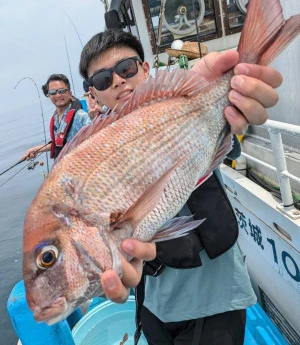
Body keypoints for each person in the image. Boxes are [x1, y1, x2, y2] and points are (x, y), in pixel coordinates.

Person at [79, 29, 282, 344]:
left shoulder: (182, 109)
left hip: (215, 298)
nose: (118, 81)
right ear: (94, 94)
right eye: (104, 80)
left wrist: (233, 98)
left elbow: (225, 134)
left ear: (146, 70)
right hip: (153, 303)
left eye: (126, 69)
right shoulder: (97, 155)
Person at [22, 74, 91, 160]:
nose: (58, 95)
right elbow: (60, 143)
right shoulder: (55, 119)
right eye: (53, 92)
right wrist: (36, 150)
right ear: (49, 95)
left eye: (61, 91)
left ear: (70, 93)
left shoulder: (81, 116)